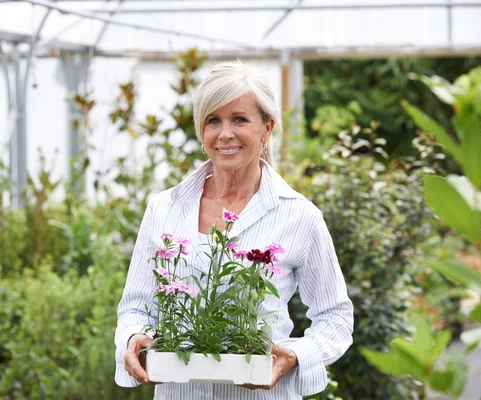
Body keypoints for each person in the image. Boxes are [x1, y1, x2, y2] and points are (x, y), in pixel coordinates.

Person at [115, 61, 354, 399]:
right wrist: (132, 337)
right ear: (202, 132)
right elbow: (135, 307)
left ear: (267, 129)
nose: (224, 133)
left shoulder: (299, 215)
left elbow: (336, 318)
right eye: (213, 120)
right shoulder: (164, 209)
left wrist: (294, 356)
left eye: (239, 119)